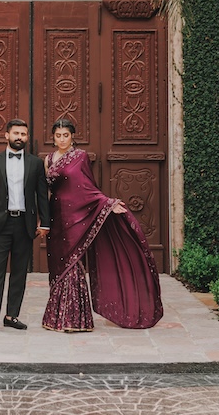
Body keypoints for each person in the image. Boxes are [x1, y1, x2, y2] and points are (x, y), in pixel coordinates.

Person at [42, 118, 163, 332]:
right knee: (58, 263)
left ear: (72, 136)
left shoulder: (80, 157)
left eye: (66, 135)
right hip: (56, 215)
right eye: (58, 135)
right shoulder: (48, 160)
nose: (62, 139)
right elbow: (46, 191)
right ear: (53, 137)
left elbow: (87, 187)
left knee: (73, 261)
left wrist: (107, 204)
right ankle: (56, 317)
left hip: (76, 214)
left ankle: (76, 320)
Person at [0, 118, 50, 336]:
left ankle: (11, 315)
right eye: (16, 133)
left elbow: (41, 195)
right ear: (6, 135)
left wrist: (45, 222)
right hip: (0, 223)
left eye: (23, 134)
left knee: (19, 272)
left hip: (24, 224)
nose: (20, 137)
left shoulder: (35, 163)